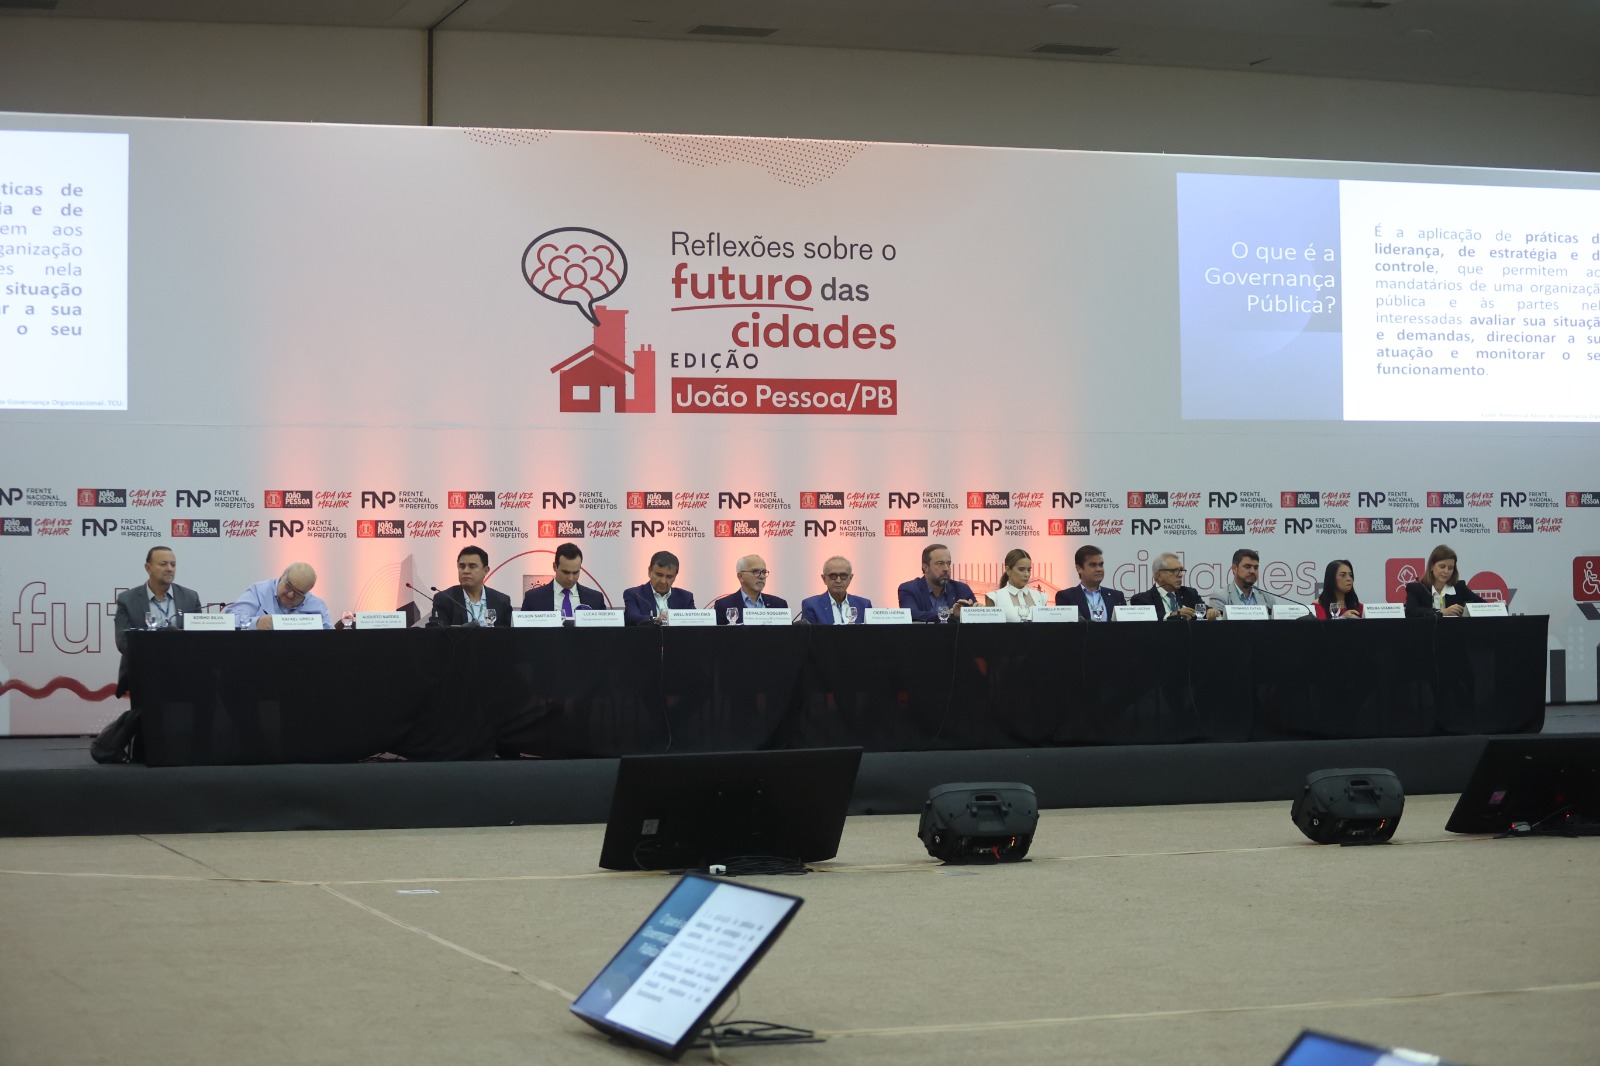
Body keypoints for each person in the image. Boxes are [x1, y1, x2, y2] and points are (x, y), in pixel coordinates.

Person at [113, 545, 203, 689]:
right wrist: (158, 658)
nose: (169, 569)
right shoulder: (128, 600)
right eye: (163, 564)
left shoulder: (190, 597)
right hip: (144, 673)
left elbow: (199, 638)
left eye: (173, 564)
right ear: (148, 568)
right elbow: (123, 642)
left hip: (183, 672)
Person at [228, 562, 332, 629]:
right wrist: (255, 623)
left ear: (307, 593)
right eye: (288, 586)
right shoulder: (259, 592)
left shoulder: (317, 607)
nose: (290, 595)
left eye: (298, 593)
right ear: (282, 576)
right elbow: (230, 621)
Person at [430, 545, 513, 627]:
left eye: (472, 566)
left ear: (485, 570)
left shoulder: (501, 601)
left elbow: (510, 634)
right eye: (462, 566)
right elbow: (438, 632)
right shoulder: (444, 599)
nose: (466, 571)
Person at [897, 543, 977, 623]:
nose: (946, 569)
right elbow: (911, 615)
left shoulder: (962, 589)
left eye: (948, 563)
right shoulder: (909, 589)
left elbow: (974, 619)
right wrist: (949, 614)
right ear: (925, 567)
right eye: (940, 564)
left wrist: (978, 612)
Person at [521, 542, 606, 615]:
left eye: (575, 572)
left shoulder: (596, 599)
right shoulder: (533, 598)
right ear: (555, 567)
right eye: (566, 572)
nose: (571, 578)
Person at [1130, 553, 1220, 621]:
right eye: (1174, 571)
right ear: (1159, 575)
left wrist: (1211, 613)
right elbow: (1151, 619)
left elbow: (1204, 612)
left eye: (1181, 570)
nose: (1180, 575)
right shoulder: (1142, 600)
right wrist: (1174, 614)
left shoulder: (1189, 594)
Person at [1404, 544, 1484, 618]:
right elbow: (1410, 611)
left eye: (1450, 568)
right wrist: (1441, 612)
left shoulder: (1459, 587)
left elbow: (1484, 607)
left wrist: (1465, 611)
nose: (1446, 571)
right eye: (1442, 567)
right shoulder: (1417, 589)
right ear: (1431, 566)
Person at [1210, 548, 1299, 612]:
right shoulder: (1220, 597)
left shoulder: (1267, 597)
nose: (1252, 571)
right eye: (1247, 567)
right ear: (1234, 569)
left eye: (1256, 567)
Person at [1054, 544, 1126, 621]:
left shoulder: (1117, 596)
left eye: (1101, 565)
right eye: (1093, 565)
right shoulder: (1066, 597)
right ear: (1079, 568)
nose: (1099, 569)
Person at [623, 550, 696, 625]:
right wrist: (655, 620)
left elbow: (696, 621)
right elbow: (631, 618)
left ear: (675, 576)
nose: (663, 581)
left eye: (669, 577)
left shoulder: (685, 597)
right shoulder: (635, 594)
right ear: (649, 571)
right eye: (659, 575)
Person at [713, 554, 789, 624]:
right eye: (756, 572)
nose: (762, 576)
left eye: (764, 572)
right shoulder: (724, 605)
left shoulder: (779, 604)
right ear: (740, 577)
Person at [801, 555, 872, 624]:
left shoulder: (864, 605)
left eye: (843, 575)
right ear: (824, 578)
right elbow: (808, 632)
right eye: (833, 576)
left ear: (850, 578)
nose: (838, 580)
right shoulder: (812, 605)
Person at [985, 548, 1049, 622]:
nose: (1027, 574)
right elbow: (990, 628)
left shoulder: (1041, 597)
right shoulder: (994, 597)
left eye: (1029, 570)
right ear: (1008, 570)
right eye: (1021, 569)